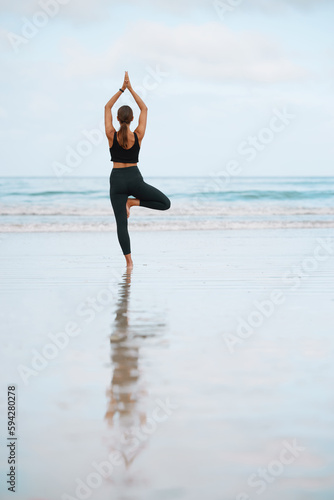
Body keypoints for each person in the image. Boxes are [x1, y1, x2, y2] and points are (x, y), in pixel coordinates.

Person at [105, 71, 171, 268]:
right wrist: (131, 89)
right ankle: (133, 203)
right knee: (165, 203)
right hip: (134, 178)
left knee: (121, 225)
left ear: (117, 119)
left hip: (116, 180)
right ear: (132, 119)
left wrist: (121, 89)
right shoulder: (138, 134)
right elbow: (145, 108)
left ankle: (129, 263)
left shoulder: (111, 134)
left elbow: (107, 106)